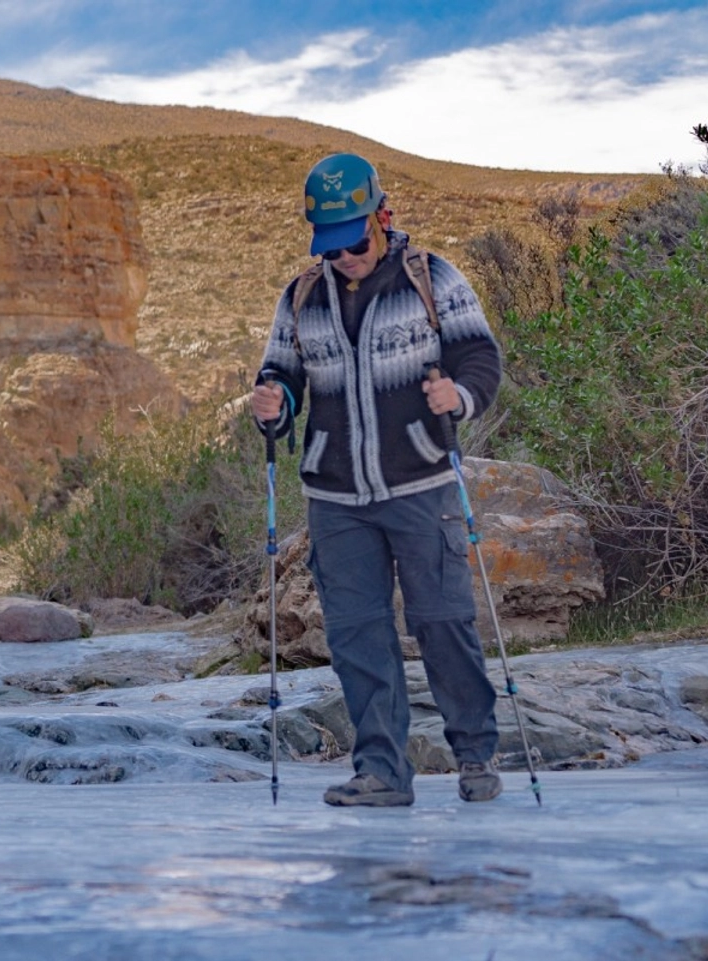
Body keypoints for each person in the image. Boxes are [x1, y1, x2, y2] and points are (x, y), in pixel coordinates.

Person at [251, 152, 504, 807]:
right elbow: (281, 374)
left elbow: (480, 356)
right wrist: (273, 401)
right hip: (336, 497)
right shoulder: (301, 296)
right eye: (330, 248)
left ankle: (475, 754)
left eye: (355, 242)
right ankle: (383, 772)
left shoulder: (434, 278)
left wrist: (461, 394)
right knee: (357, 634)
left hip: (421, 481)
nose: (345, 258)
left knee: (444, 621)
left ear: (382, 217)